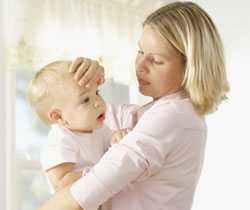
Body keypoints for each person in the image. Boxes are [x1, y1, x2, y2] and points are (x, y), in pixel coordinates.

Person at [38, 1, 229, 210]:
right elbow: (84, 117)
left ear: (191, 67)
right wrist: (86, 84)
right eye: (140, 51)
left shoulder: (172, 116)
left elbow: (87, 190)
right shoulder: (156, 112)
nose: (140, 66)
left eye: (155, 60)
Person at [28, 60, 128, 195]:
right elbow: (60, 182)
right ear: (59, 117)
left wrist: (118, 137)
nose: (98, 102)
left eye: (97, 93)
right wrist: (99, 173)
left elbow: (112, 145)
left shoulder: (98, 129)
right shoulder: (61, 140)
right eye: (86, 100)